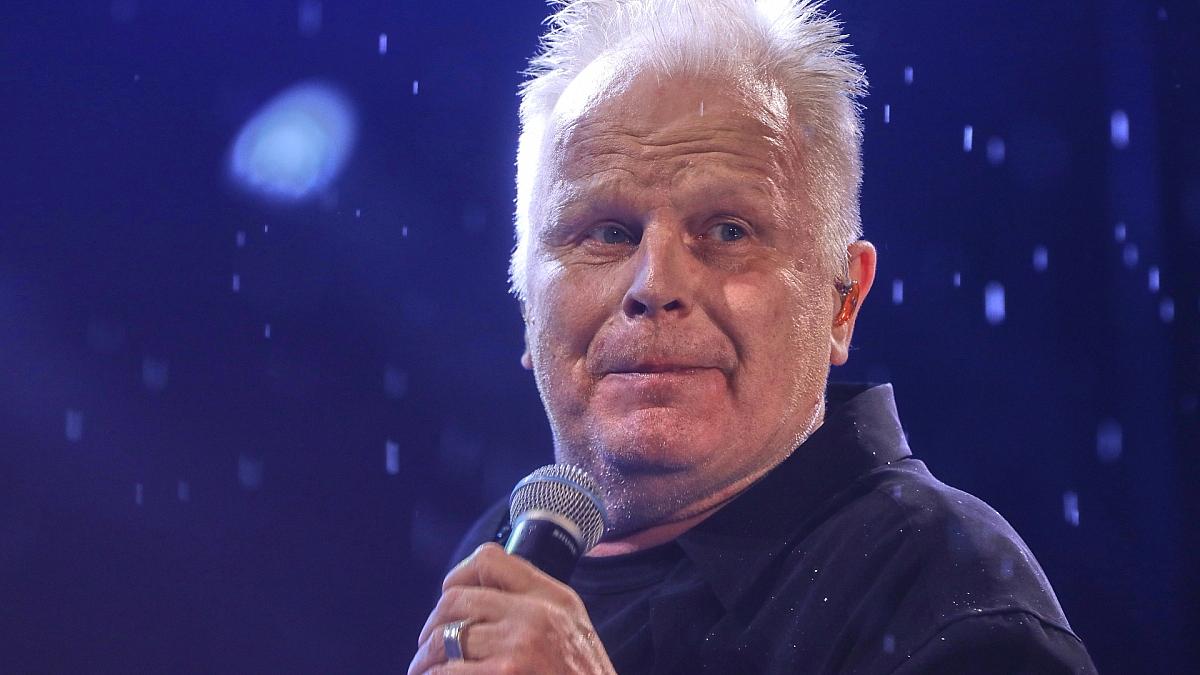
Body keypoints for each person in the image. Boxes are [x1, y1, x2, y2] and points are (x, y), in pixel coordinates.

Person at [409, 1, 1097, 672]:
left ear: (843, 300)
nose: (654, 283)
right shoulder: (504, 553)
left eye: (728, 230)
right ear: (527, 305)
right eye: (609, 232)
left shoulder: (947, 597)